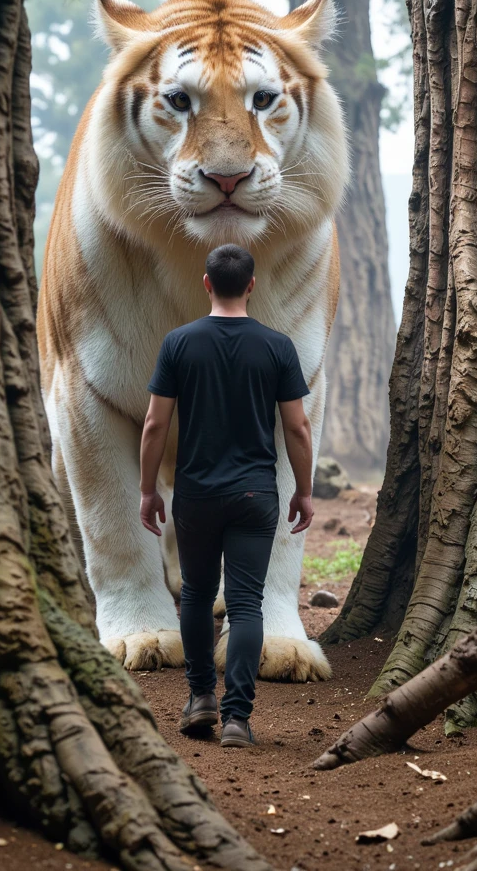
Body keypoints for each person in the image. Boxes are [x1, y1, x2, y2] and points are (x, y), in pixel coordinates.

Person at [139, 243, 314, 748]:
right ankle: (237, 717)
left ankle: (200, 699)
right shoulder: (278, 346)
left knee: (194, 595)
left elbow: (154, 423)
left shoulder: (179, 343)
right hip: (257, 493)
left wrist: (149, 489)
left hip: (195, 493)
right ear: (252, 286)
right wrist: (302, 491)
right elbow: (297, 428)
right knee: (245, 603)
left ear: (207, 284)